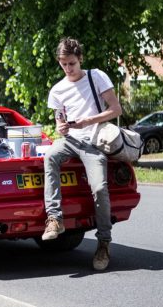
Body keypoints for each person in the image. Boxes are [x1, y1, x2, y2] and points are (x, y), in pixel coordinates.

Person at [43, 37, 123, 271]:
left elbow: (116, 109)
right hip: (70, 140)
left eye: (72, 64)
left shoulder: (95, 76)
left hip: (94, 141)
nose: (68, 69)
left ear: (80, 59)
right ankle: (55, 219)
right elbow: (59, 119)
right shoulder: (57, 89)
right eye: (64, 64)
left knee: (99, 188)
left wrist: (89, 120)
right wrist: (60, 127)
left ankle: (104, 243)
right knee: (50, 157)